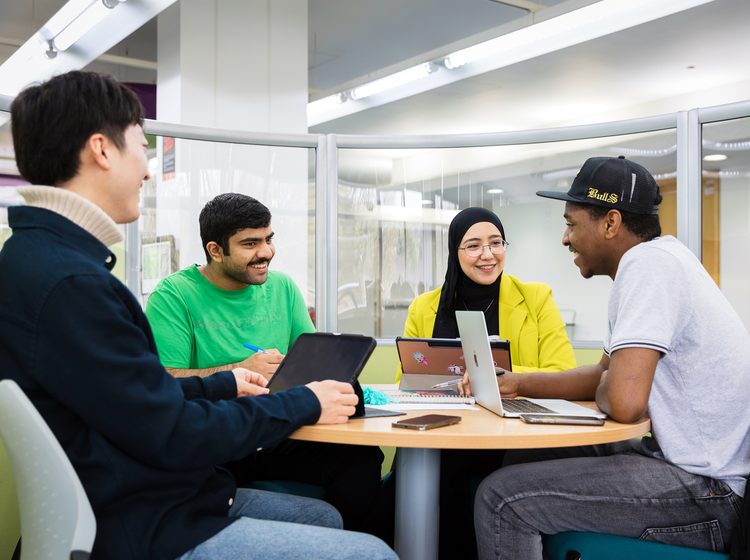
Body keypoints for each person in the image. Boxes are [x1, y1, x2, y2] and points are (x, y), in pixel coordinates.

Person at [0, 70, 396, 560]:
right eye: (139, 147)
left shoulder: (36, 260)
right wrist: (303, 404)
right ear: (101, 150)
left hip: (143, 494)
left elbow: (129, 396)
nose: (147, 170)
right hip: (144, 522)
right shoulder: (75, 285)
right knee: (373, 554)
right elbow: (171, 432)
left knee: (329, 515)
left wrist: (223, 384)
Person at [473, 156, 750, 559]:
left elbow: (623, 401)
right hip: (688, 469)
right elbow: (604, 374)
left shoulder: (648, 267)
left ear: (611, 223)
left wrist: (612, 382)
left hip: (711, 492)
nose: (565, 239)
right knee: (526, 454)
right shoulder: (658, 260)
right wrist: (518, 382)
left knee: (501, 498)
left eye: (571, 223)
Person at [145, 192, 384, 532]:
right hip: (223, 438)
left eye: (269, 239)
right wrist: (240, 369)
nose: (266, 252)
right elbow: (164, 379)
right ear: (215, 250)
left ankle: (351, 547)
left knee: (361, 458)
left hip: (282, 428)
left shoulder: (283, 287)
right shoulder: (173, 295)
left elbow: (311, 360)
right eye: (250, 243)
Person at [398, 206, 576, 558]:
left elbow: (562, 370)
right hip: (442, 437)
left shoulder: (536, 297)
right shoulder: (424, 307)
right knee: (401, 495)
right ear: (455, 252)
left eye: (496, 243)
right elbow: (406, 381)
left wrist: (499, 376)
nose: (487, 254)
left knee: (468, 492)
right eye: (473, 245)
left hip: (512, 440)